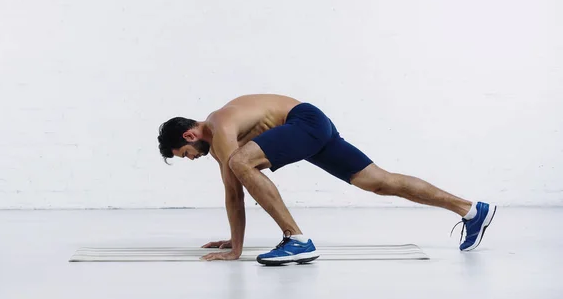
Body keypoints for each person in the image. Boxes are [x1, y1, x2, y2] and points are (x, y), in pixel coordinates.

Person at [157, 94, 497, 265]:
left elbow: (235, 191)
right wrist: (234, 242)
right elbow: (234, 190)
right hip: (310, 125)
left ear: (189, 135)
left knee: (240, 162)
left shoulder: (219, 129)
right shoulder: (219, 135)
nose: (192, 159)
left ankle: (297, 241)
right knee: (379, 181)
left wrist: (237, 250)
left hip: (303, 121)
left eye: (185, 154)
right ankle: (470, 210)